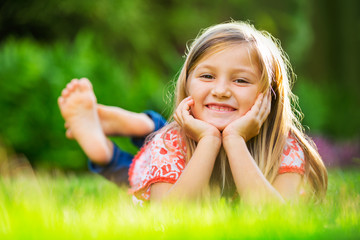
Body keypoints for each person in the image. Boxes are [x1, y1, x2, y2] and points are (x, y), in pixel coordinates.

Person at [58, 21, 327, 204]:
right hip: (169, 151)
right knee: (153, 153)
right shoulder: (170, 142)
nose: (221, 90)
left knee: (153, 148)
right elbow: (166, 217)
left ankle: (115, 143)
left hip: (172, 148)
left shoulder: (282, 145)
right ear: (186, 84)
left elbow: (277, 221)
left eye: (241, 80)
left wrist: (233, 139)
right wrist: (209, 140)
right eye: (207, 76)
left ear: (269, 94)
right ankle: (124, 138)